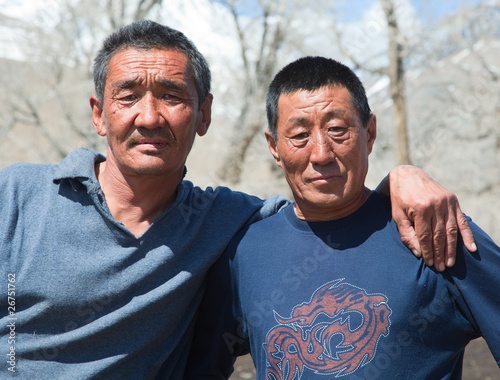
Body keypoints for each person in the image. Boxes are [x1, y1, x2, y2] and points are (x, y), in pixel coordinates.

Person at [0, 20, 473, 379]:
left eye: (171, 96)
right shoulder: (17, 196)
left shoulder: (226, 223)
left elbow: (325, 195)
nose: (149, 117)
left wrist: (402, 178)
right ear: (99, 115)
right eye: (128, 97)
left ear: (203, 115)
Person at [185, 57, 500, 379]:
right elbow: (201, 367)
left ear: (370, 133)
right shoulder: (244, 253)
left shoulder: (432, 229)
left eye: (337, 130)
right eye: (299, 135)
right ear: (274, 147)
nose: (320, 154)